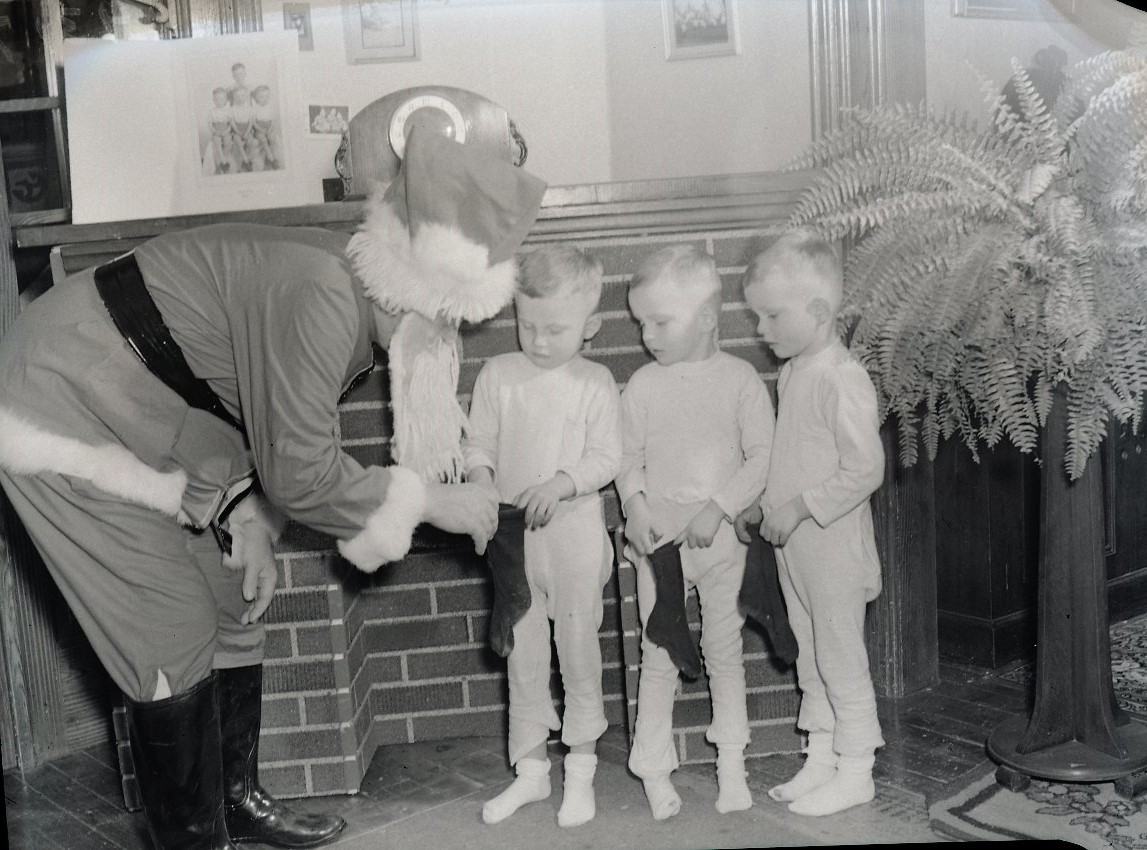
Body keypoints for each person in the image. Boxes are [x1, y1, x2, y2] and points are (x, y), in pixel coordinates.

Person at [0, 126, 547, 850]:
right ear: (417, 284)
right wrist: (433, 502)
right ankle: (195, 842)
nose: (448, 337)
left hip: (148, 410)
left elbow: (243, 402)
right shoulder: (324, 297)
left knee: (230, 601)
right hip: (58, 400)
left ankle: (236, 804)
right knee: (168, 632)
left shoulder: (350, 302)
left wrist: (251, 517)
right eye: (450, 317)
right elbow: (301, 468)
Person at [463, 246, 621, 829]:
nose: (540, 340)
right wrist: (481, 479)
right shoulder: (499, 375)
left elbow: (608, 457)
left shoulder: (594, 381)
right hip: (515, 542)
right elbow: (478, 444)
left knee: (578, 651)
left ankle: (581, 771)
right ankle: (530, 772)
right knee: (522, 653)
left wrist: (561, 483)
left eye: (556, 329)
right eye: (527, 325)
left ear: (591, 327)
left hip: (574, 537)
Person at [616, 245, 774, 820]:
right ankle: (653, 768)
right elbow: (625, 457)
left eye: (661, 321)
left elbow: (761, 456)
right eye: (640, 324)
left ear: (707, 317)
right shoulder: (642, 386)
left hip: (721, 540)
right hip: (660, 543)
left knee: (723, 650)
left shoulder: (739, 380)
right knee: (659, 651)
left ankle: (732, 762)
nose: (648, 336)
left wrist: (721, 505)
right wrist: (633, 504)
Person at [740, 229, 885, 817]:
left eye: (773, 315)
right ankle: (822, 755)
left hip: (833, 548)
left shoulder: (840, 377)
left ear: (820, 312)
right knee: (810, 651)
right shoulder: (796, 370)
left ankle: (858, 769)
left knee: (840, 654)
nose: (761, 329)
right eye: (757, 316)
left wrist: (798, 507)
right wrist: (766, 501)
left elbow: (865, 469)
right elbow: (791, 452)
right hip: (795, 549)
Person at [206, 86, 235, 175]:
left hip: (226, 129)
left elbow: (231, 123)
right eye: (217, 99)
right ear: (213, 100)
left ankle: (222, 160)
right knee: (217, 142)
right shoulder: (212, 111)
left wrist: (227, 130)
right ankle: (223, 162)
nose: (219, 102)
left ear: (226, 100)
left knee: (228, 143)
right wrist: (214, 131)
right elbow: (210, 124)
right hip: (216, 130)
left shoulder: (228, 110)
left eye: (222, 99)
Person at [251, 85, 280, 169]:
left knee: (272, 139)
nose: (265, 99)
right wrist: (260, 129)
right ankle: (271, 158)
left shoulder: (270, 107)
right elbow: (253, 122)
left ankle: (274, 157)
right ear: (256, 98)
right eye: (262, 97)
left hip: (269, 128)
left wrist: (270, 129)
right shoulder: (255, 109)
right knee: (263, 139)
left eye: (267, 96)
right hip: (259, 129)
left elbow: (272, 121)